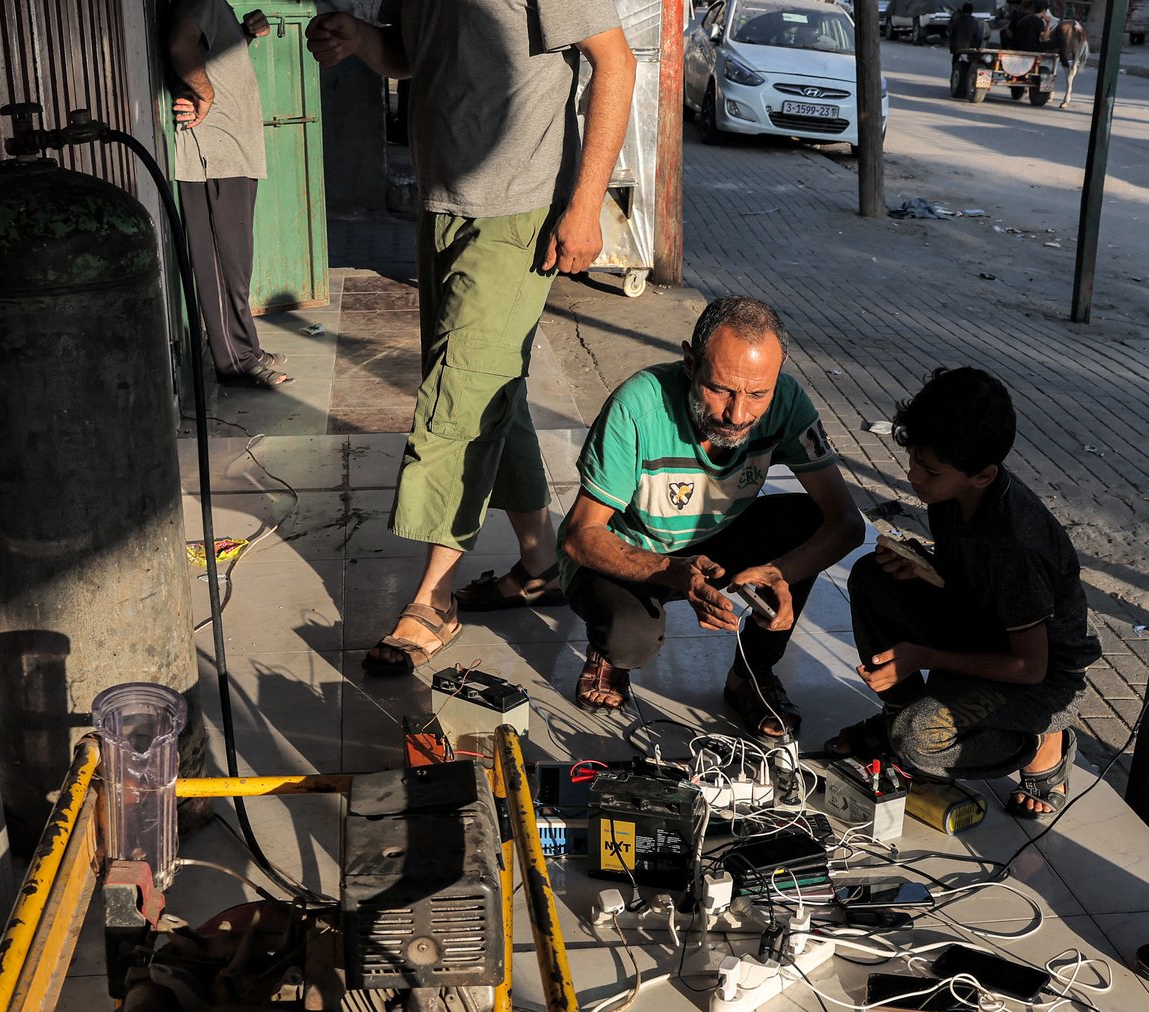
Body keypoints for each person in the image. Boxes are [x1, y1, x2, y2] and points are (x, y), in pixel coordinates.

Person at [306, 1, 636, 676]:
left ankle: (432, 598)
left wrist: (585, 202)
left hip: (519, 209)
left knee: (457, 394)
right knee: (490, 386)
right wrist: (362, 38)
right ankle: (541, 562)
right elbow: (410, 54)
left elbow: (616, 64)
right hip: (442, 201)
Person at [557, 296, 864, 739]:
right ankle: (607, 651)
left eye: (758, 393)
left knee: (807, 521)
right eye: (720, 389)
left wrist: (781, 572)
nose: (738, 415)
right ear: (689, 363)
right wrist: (672, 571)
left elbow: (846, 524)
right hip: (627, 551)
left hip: (713, 543)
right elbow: (579, 536)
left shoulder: (789, 402)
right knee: (630, 639)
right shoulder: (637, 406)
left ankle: (751, 675)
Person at [828, 367, 1101, 819]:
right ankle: (897, 713)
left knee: (918, 740)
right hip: (984, 630)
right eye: (913, 458)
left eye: (929, 469)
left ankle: (1041, 742)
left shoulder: (1015, 544)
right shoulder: (954, 495)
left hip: (1044, 679)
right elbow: (971, 580)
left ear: (983, 474)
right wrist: (923, 568)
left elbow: (1030, 666)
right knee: (872, 575)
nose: (913, 475)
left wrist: (923, 656)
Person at [168, 1, 292, 389]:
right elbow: (179, 46)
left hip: (234, 154)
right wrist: (203, 94)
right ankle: (233, 363)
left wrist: (244, 34)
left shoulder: (214, 5)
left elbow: (206, 54)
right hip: (215, 156)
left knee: (236, 268)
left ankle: (246, 349)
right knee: (221, 267)